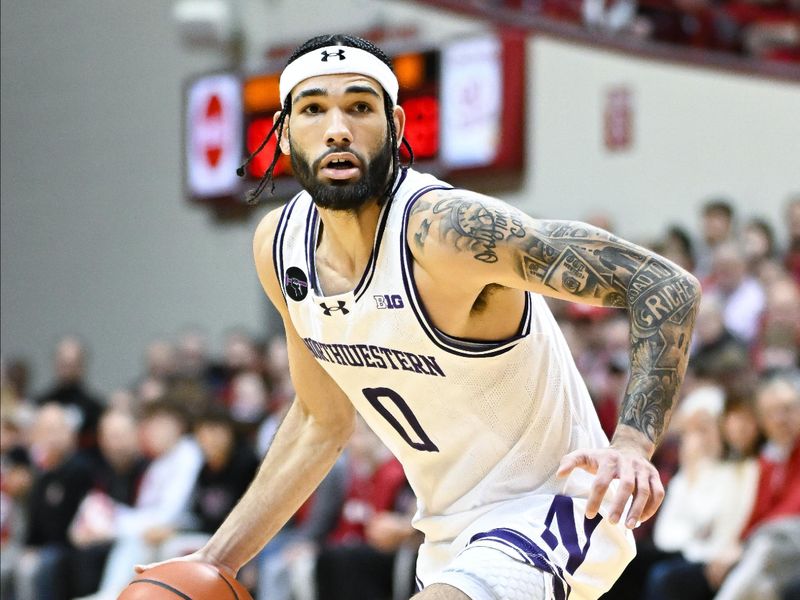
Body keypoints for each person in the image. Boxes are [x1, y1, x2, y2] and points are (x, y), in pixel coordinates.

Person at [140, 33, 701, 599]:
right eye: (313, 109)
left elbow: (663, 283)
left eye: (360, 107)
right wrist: (213, 563)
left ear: (397, 127)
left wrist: (631, 446)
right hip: (445, 534)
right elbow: (319, 421)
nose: (337, 128)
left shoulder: (446, 231)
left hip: (555, 503)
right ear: (285, 133)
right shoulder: (280, 247)